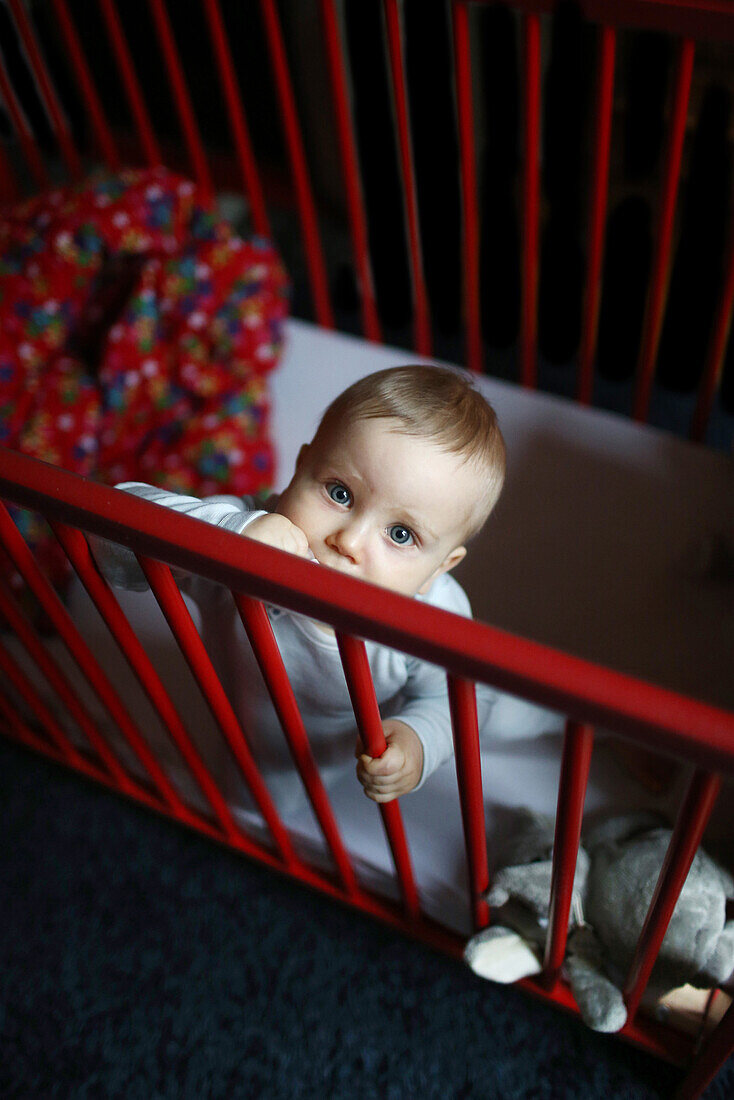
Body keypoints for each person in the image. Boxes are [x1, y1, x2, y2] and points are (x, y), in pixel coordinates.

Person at [93, 365, 511, 810]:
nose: (348, 542)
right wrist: (227, 536)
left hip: (326, 753)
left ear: (437, 571)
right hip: (251, 736)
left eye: (401, 534)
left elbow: (461, 697)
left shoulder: (433, 614)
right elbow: (105, 536)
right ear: (301, 466)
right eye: (340, 493)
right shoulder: (245, 536)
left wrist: (419, 739)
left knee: (509, 711)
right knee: (252, 809)